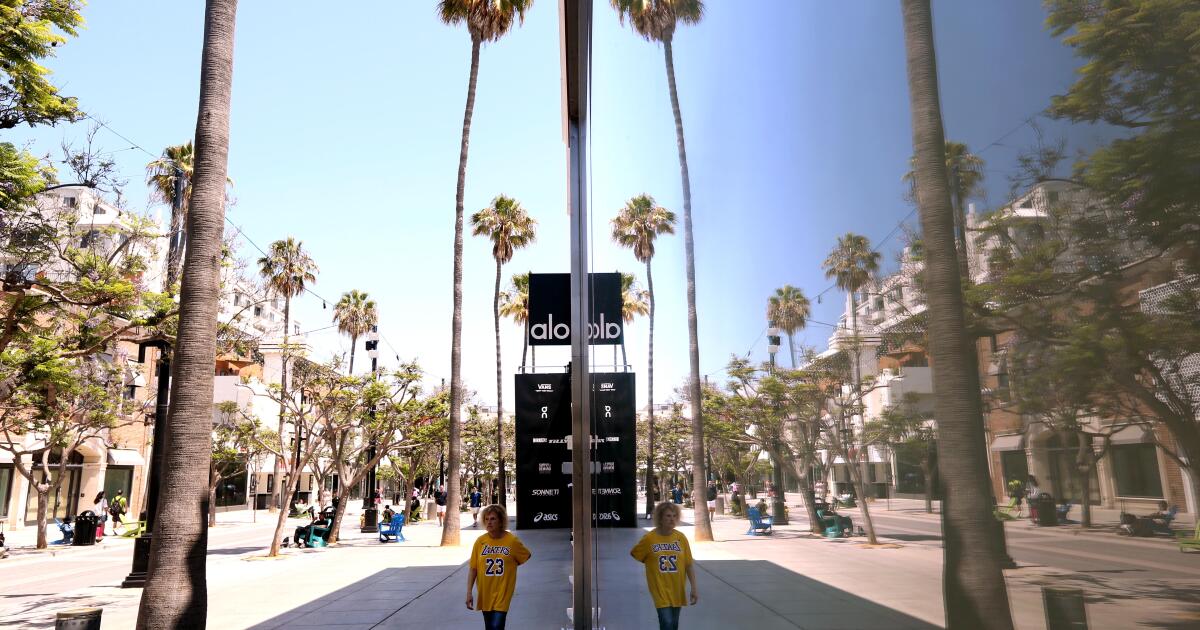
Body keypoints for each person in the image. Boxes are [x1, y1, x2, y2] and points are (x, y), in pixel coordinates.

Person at [631, 502, 699, 630]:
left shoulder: (681, 538)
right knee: (666, 622)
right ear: (660, 518)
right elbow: (636, 554)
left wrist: (694, 588)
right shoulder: (649, 538)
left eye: (674, 516)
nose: (672, 519)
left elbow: (688, 565)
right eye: (668, 516)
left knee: (673, 624)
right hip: (660, 588)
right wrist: (652, 564)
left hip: (677, 588)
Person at [466, 504, 531, 630]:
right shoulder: (480, 541)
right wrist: (469, 592)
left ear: (501, 521)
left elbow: (525, 556)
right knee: (490, 627)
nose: (489, 522)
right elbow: (473, 568)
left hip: (503, 592)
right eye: (486, 519)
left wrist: (510, 565)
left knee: (496, 626)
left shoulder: (512, 541)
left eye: (493, 519)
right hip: (485, 592)